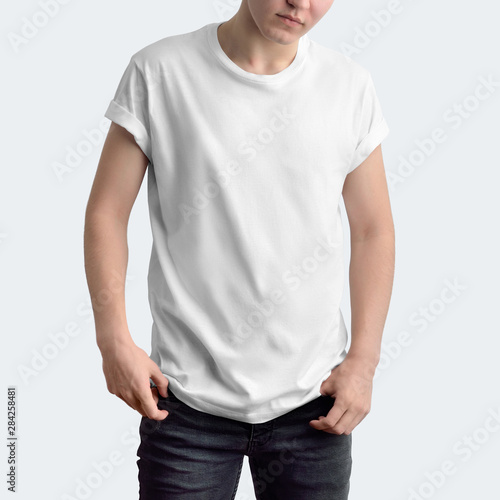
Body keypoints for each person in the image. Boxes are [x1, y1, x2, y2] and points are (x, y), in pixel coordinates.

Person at [83, 0, 395, 498]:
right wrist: (113, 341)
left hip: (314, 404)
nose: (301, 3)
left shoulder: (349, 86)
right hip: (184, 405)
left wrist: (365, 361)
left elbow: (373, 228)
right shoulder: (160, 71)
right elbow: (106, 212)